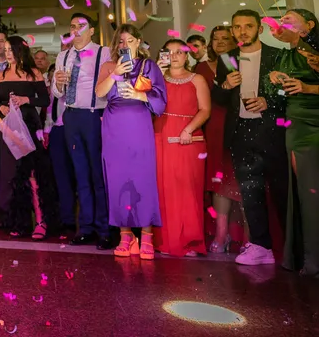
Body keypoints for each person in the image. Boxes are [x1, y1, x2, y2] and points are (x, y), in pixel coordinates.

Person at [213, 10, 287, 266]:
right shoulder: (227, 58)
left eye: (248, 26)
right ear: (232, 30)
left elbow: (289, 93)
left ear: (260, 29)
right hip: (241, 133)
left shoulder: (277, 56)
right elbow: (219, 99)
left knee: (282, 192)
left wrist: (270, 101)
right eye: (237, 27)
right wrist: (225, 86)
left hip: (273, 133)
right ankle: (261, 247)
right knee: (250, 193)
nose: (242, 31)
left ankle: (293, 248)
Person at [95, 24, 167, 259]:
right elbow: (99, 93)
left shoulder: (149, 66)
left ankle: (146, 234)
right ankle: (126, 235)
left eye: (129, 40)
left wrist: (141, 95)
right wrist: (114, 74)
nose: (125, 45)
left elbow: (160, 101)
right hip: (114, 126)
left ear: (138, 42)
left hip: (139, 124)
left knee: (142, 178)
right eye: (121, 42)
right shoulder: (109, 66)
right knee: (117, 179)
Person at [52, 13, 112, 249]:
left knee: (98, 174)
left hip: (94, 116)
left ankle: (105, 229)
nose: (75, 30)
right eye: (72, 26)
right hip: (72, 116)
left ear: (92, 30)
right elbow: (57, 94)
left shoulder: (103, 53)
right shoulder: (63, 55)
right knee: (80, 174)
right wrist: (57, 82)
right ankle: (85, 227)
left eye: (81, 26)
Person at [268, 9, 319, 276]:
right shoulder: (284, 55)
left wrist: (308, 87)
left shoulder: (315, 50)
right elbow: (276, 97)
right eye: (282, 18)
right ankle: (310, 259)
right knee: (308, 193)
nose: (283, 21)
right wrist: (273, 80)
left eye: (290, 18)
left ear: (309, 25)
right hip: (298, 125)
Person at [0, 36, 58, 239]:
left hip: (29, 127)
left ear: (19, 51)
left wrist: (25, 99)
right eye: (5, 50)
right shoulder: (2, 75)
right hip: (8, 127)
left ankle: (41, 221)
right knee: (13, 175)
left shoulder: (34, 74)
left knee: (32, 175)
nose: (7, 53)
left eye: (10, 49)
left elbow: (45, 99)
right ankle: (19, 221)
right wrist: (2, 106)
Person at [153, 39, 211, 257]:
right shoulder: (156, 78)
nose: (175, 56)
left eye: (179, 52)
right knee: (163, 187)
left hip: (189, 136)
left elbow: (205, 110)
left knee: (188, 187)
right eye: (169, 52)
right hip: (161, 134)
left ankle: (190, 241)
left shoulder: (198, 79)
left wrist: (188, 129)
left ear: (187, 56)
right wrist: (155, 74)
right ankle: (164, 240)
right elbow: (145, 102)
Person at [194, 26, 245, 252]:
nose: (220, 42)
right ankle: (222, 233)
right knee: (218, 180)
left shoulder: (243, 63)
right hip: (212, 127)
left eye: (225, 38)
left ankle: (247, 236)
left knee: (242, 181)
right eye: (216, 39)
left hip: (238, 125)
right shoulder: (201, 67)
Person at [46, 35, 77, 234]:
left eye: (69, 44)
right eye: (63, 45)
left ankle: (85, 219)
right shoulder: (56, 73)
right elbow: (50, 107)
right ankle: (66, 218)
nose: (66, 48)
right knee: (61, 176)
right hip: (57, 130)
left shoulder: (82, 72)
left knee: (80, 174)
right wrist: (47, 131)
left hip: (75, 127)